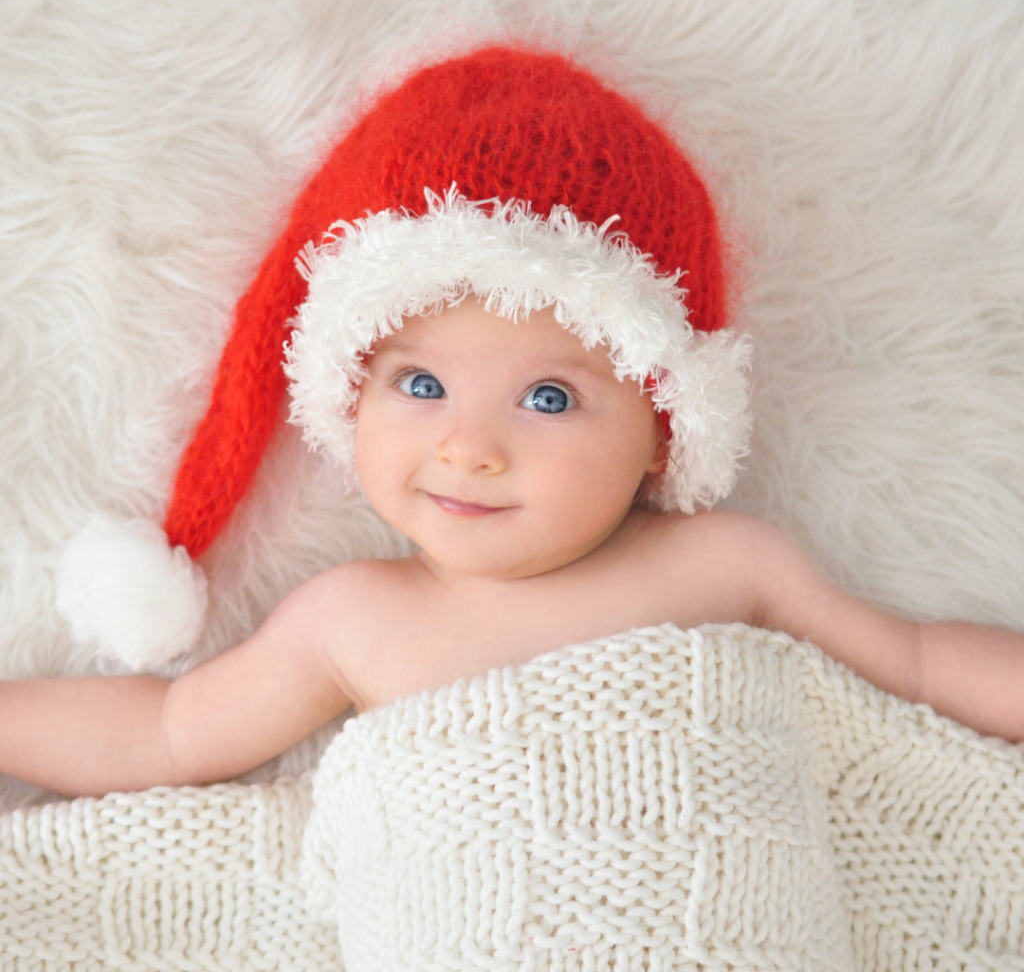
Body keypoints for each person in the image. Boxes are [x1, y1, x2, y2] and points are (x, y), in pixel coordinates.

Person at [2, 45, 1022, 802]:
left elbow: (919, 664)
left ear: (663, 427)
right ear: (348, 386)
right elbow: (170, 733)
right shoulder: (352, 617)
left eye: (548, 398)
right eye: (419, 384)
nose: (467, 446)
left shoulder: (724, 565)